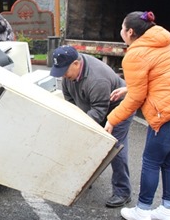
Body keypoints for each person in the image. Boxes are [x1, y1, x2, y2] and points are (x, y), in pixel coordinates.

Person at [105, 11, 170, 220]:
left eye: (122, 29)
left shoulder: (135, 53)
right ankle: (168, 209)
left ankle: (142, 210)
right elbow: (162, 75)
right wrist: (127, 89)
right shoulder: (166, 41)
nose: (121, 32)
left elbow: (137, 98)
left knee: (151, 161)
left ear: (130, 32)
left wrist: (112, 120)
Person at [50, 45, 133, 208]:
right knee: (85, 142)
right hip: (94, 106)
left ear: (76, 63)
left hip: (117, 107)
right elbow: (70, 101)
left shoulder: (97, 79)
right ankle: (86, 179)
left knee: (115, 146)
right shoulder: (68, 76)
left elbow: (99, 111)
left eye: (65, 71)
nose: (63, 76)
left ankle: (122, 192)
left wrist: (82, 125)